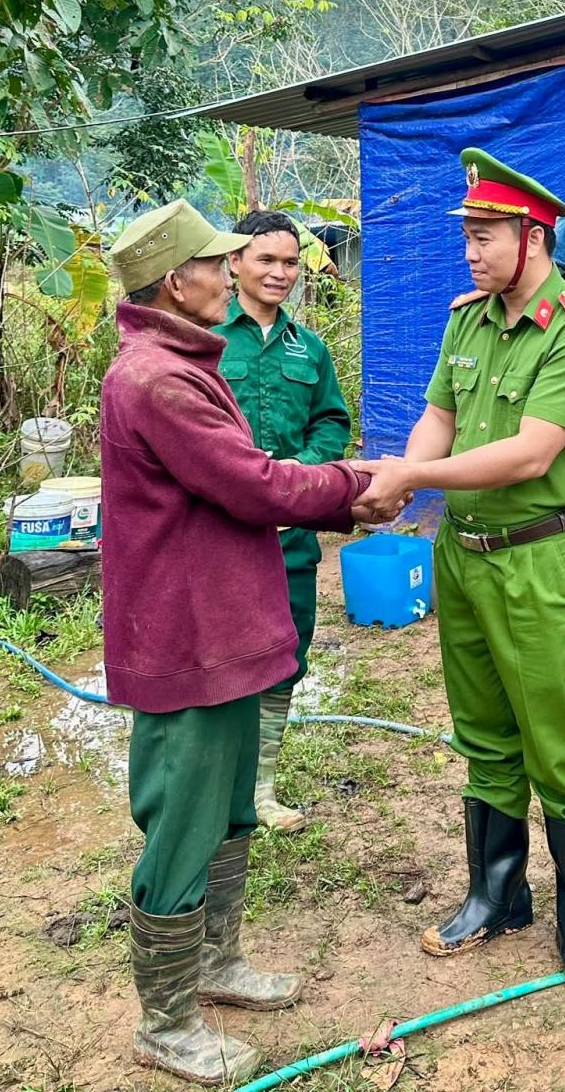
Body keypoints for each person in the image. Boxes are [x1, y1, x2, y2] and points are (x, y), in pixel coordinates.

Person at [101, 199, 392, 1085]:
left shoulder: (192, 361)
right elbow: (249, 481)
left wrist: (335, 476)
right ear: (174, 282)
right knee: (184, 823)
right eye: (215, 264)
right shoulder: (156, 378)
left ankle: (217, 963)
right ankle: (165, 1019)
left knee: (230, 808)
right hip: (186, 637)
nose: (228, 275)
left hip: (222, 623)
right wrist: (353, 489)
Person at [352, 148, 565, 994]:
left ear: (533, 237)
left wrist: (410, 477)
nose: (470, 251)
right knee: (483, 732)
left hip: (539, 559)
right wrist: (402, 479)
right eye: (466, 235)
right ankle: (497, 892)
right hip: (463, 556)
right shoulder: (467, 319)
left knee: (557, 738)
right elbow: (441, 414)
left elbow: (527, 454)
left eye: (484, 234)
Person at [215, 209, 352, 833]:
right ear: (235, 262)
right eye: (265, 259)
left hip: (291, 537)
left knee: (285, 653)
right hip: (220, 532)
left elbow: (332, 421)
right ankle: (218, 789)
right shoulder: (207, 336)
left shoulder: (309, 347)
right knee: (220, 653)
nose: (280, 272)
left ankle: (260, 790)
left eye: (291, 262)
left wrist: (302, 470)